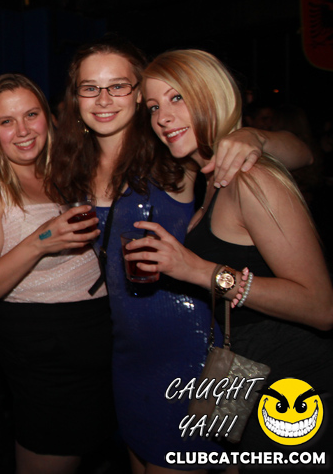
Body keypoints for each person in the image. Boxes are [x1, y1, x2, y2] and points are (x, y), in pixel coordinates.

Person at [49, 36, 315, 474]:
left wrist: (254, 136)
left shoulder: (172, 157)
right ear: (75, 98)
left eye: (118, 86)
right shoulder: (70, 169)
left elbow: (302, 153)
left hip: (199, 353)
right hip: (128, 354)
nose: (104, 99)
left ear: (137, 93)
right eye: (90, 88)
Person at [131, 49, 333, 468]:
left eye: (177, 98)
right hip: (247, 369)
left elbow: (321, 307)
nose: (163, 117)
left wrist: (199, 270)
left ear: (211, 94)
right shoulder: (211, 180)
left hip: (292, 385)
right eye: (153, 107)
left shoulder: (250, 179)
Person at [0, 73, 112, 474]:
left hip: (100, 339)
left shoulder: (63, 171)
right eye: (6, 121)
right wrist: (40, 241)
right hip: (45, 350)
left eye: (31, 115)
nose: (22, 131)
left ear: (48, 118)